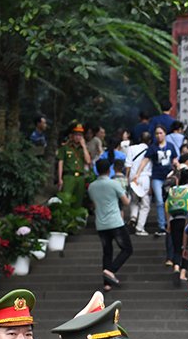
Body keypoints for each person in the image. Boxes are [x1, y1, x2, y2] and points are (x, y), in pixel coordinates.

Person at [89, 157, 134, 290]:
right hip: (115, 222)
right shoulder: (114, 184)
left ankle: (107, 284)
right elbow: (126, 202)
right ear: (109, 170)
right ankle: (111, 271)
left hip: (101, 224)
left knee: (107, 252)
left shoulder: (92, 186)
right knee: (127, 249)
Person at [165, 169, 188, 287]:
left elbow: (166, 206)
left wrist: (168, 223)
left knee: (176, 246)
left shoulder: (174, 190)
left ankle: (176, 266)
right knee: (186, 246)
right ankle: (183, 273)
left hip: (175, 220)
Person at [147, 125, 178, 237]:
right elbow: (146, 160)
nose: (159, 135)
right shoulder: (153, 147)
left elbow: (174, 159)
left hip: (169, 176)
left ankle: (170, 223)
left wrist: (178, 166)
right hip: (157, 176)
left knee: (169, 201)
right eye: (157, 133)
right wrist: (137, 173)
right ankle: (161, 225)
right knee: (159, 201)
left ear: (165, 134)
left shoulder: (170, 146)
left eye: (160, 133)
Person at [57, 123, 92, 206]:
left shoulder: (83, 149)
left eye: (80, 135)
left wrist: (84, 146)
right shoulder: (65, 148)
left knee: (78, 201)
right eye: (76, 135)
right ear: (72, 135)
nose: (78, 137)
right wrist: (59, 179)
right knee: (66, 200)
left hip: (80, 177)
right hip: (69, 176)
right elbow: (60, 163)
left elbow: (88, 161)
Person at [126, 131, 153, 235]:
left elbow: (128, 165)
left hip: (133, 177)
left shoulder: (131, 148)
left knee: (134, 200)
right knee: (145, 204)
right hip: (145, 177)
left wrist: (127, 179)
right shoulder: (151, 150)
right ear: (150, 140)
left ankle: (133, 216)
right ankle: (139, 228)